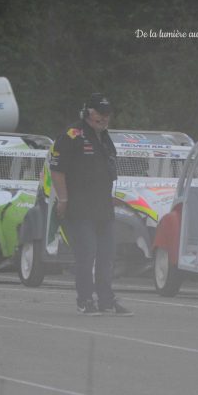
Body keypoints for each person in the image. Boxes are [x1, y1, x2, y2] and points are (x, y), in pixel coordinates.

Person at [50, 93, 133, 316]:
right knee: (87, 254)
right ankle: (85, 300)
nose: (103, 118)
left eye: (107, 114)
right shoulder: (71, 135)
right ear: (88, 112)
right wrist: (63, 199)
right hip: (79, 206)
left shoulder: (105, 137)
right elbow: (57, 170)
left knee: (107, 255)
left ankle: (106, 300)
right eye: (99, 113)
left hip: (103, 207)